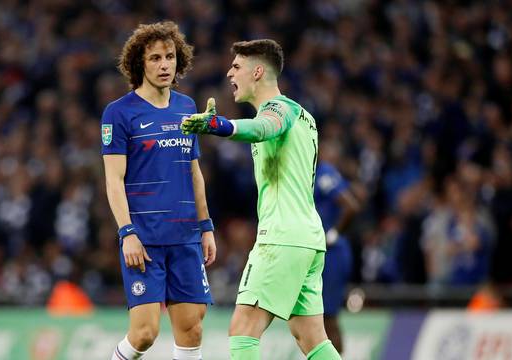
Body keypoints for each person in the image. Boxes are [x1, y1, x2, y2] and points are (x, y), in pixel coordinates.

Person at [182, 39, 341, 359]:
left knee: (243, 328)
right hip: (308, 237)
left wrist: (221, 126)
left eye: (237, 66)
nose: (229, 73)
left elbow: (262, 128)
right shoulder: (305, 117)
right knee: (312, 338)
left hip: (281, 236)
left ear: (258, 71)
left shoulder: (279, 109)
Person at [102, 21, 216, 360]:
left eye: (169, 57)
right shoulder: (119, 113)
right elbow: (113, 180)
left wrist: (206, 226)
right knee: (145, 334)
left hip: (185, 236)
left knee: (192, 327)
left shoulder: (186, 107)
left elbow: (195, 172)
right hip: (145, 239)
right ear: (140, 63)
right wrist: (127, 233)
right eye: (154, 58)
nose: (164, 64)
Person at [313, 140, 361, 354]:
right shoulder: (311, 174)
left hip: (332, 252)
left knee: (328, 316)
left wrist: (332, 234)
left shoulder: (324, 173)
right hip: (320, 251)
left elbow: (350, 206)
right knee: (319, 318)